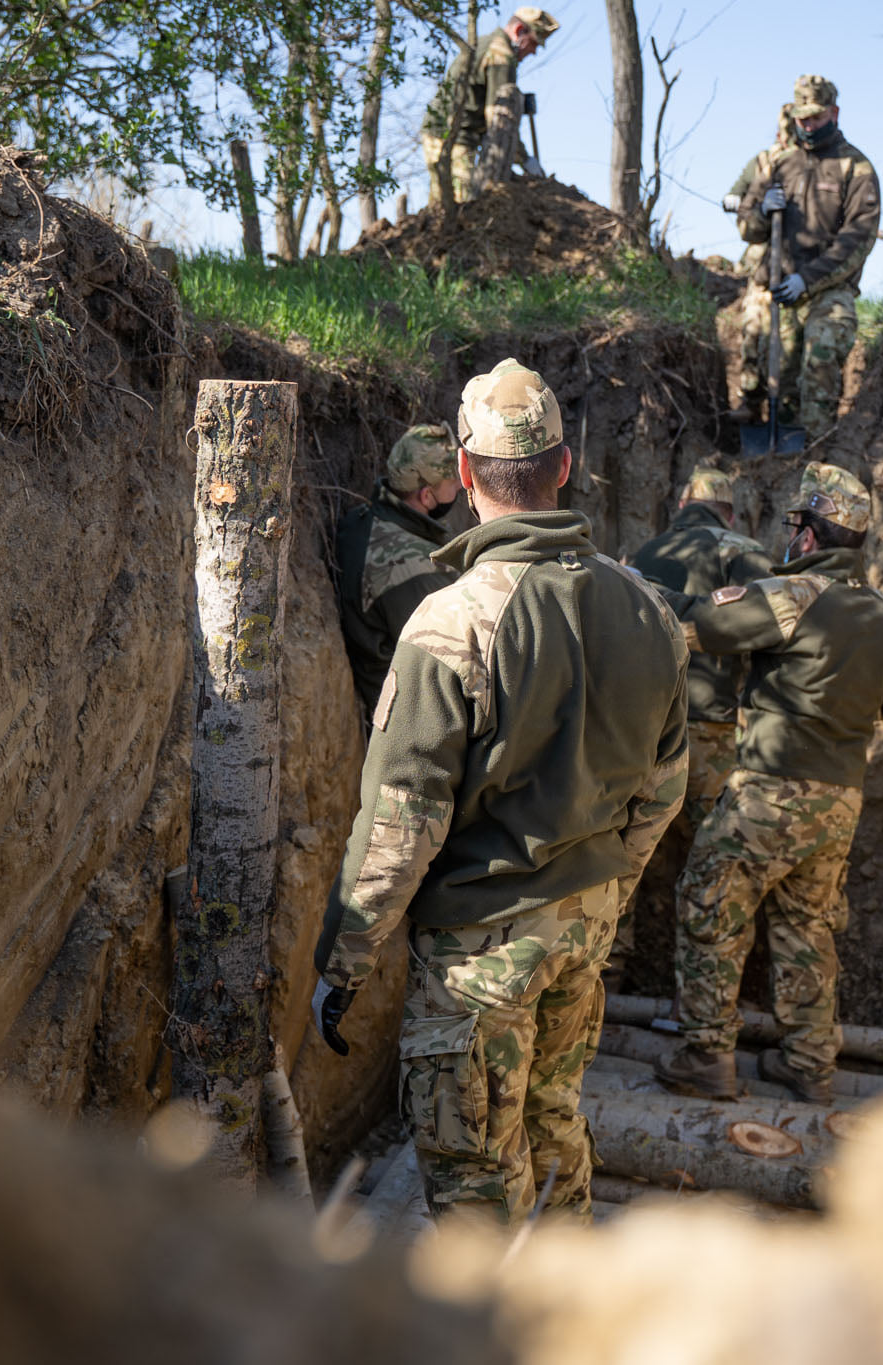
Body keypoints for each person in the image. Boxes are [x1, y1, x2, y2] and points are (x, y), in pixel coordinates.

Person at [310, 358, 689, 1221]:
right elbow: (665, 787)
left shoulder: (452, 620)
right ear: (564, 467)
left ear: (467, 473)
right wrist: (602, 886)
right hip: (584, 928)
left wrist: (345, 958)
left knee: (476, 1174)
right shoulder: (651, 610)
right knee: (552, 1131)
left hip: (479, 953)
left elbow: (401, 822)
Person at [652, 462, 883, 1105]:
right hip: (840, 801)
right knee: (807, 927)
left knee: (709, 906)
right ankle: (810, 1065)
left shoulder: (795, 596)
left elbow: (696, 626)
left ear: (807, 534)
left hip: (770, 791)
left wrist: (633, 587)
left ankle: (706, 1056)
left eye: (794, 527)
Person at [604, 467, 773, 989]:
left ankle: (605, 981)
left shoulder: (645, 554)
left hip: (641, 735)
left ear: (682, 506)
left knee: (619, 860)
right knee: (720, 871)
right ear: (730, 513)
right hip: (717, 736)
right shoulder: (747, 553)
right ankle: (708, 997)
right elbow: (775, 634)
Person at [734, 75, 881, 439]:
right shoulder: (779, 163)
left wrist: (808, 279)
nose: (808, 125)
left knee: (820, 354)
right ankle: (770, 447)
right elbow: (746, 227)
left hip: (828, 289)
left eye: (816, 117)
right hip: (779, 285)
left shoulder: (856, 168)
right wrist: (761, 212)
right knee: (777, 373)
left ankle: (816, 447)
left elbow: (858, 239)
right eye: (802, 118)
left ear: (834, 112)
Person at [334, 423, 463, 720]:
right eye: (452, 481)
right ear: (426, 497)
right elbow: (453, 660)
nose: (459, 486)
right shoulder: (417, 570)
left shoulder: (361, 520)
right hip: (405, 716)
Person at [420, 7, 558, 206]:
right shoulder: (500, 54)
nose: (534, 51)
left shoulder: (487, 43)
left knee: (443, 203)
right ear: (519, 31)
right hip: (454, 137)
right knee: (461, 204)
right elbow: (499, 119)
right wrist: (525, 159)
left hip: (443, 132)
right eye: (534, 43)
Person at [717, 106, 801, 424]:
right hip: (765, 258)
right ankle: (751, 400)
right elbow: (738, 196)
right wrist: (746, 204)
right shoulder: (763, 162)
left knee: (791, 343)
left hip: (799, 262)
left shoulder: (812, 164)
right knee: (753, 327)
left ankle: (790, 410)